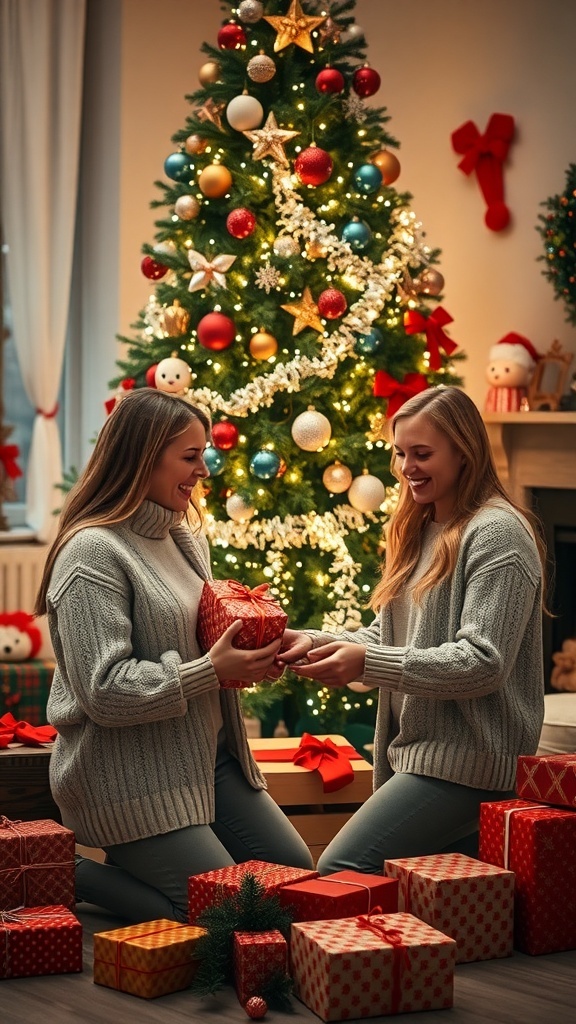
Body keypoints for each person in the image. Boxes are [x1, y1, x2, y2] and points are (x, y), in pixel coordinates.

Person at [35, 388, 313, 923]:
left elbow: (201, 640)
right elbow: (104, 691)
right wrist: (210, 671)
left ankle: (154, 869)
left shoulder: (183, 537)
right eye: (190, 456)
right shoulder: (92, 552)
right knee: (224, 911)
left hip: (207, 763)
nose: (204, 470)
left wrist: (265, 645)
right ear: (143, 456)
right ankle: (68, 872)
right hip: (126, 778)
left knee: (294, 876)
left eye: (203, 453)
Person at [277, 386, 547, 876]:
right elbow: (388, 636)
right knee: (424, 884)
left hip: (472, 762)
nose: (405, 468)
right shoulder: (422, 526)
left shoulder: (498, 534)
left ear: (464, 451)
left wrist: (365, 664)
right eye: (400, 453)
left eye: (422, 454)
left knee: (341, 867)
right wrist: (314, 641)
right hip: (419, 755)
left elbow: (481, 664)